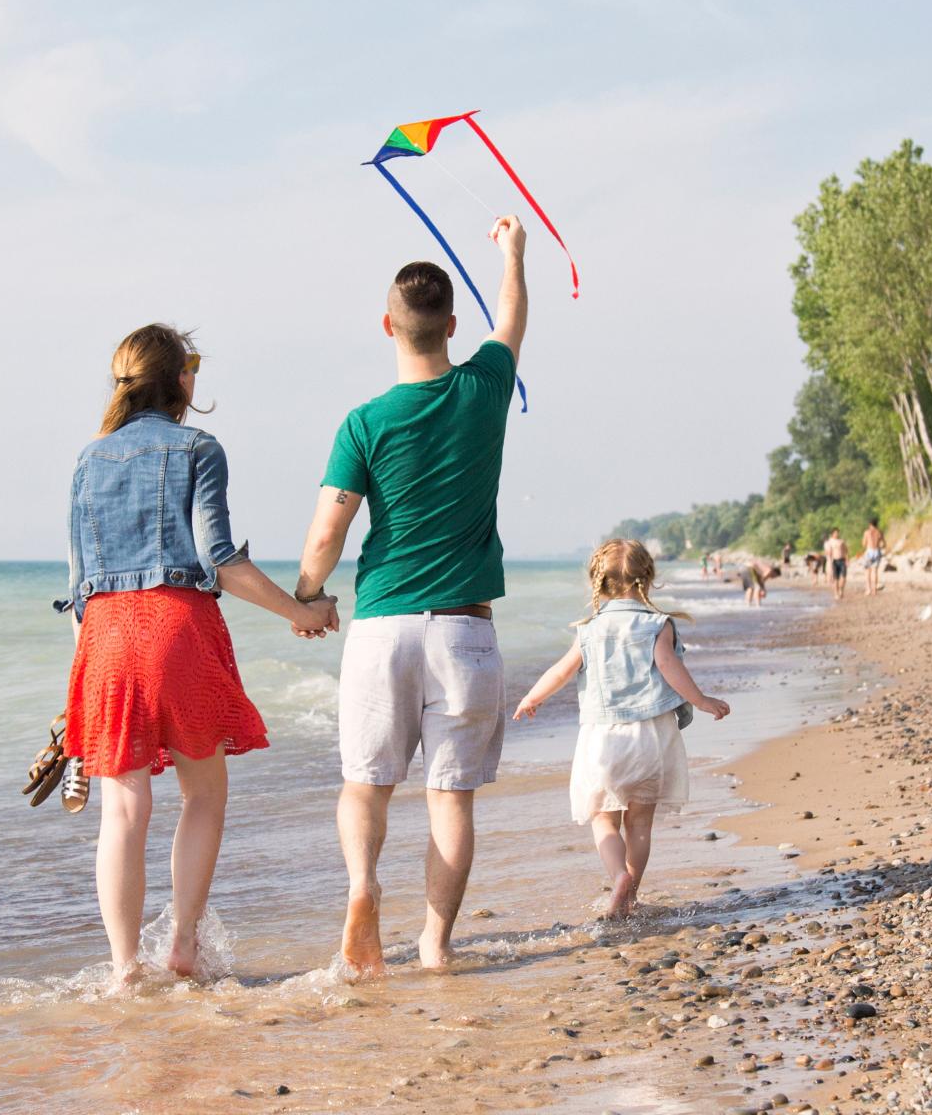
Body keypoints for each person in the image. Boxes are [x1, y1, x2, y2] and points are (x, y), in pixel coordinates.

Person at [65, 324, 336, 983]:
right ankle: (182, 944)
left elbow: (79, 590)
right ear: (179, 379)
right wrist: (302, 612)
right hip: (177, 630)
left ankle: (126, 967)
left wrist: (80, 685)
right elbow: (222, 560)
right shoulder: (197, 449)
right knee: (204, 793)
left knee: (123, 811)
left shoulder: (88, 459)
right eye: (192, 370)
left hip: (104, 637)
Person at [295, 214, 529, 977]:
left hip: (384, 625)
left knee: (365, 786)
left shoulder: (364, 422)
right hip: (464, 629)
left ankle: (364, 888)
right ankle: (434, 945)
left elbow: (329, 533)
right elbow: (514, 318)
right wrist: (513, 253)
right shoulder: (487, 387)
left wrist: (308, 596)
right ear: (453, 326)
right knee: (450, 799)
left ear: (387, 324)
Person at [512, 540, 730, 920]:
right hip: (652, 737)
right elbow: (669, 667)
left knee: (603, 819)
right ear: (647, 578)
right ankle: (632, 895)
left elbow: (561, 671)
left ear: (598, 582)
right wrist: (701, 699)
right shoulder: (658, 625)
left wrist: (531, 698)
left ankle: (618, 879)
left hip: (604, 739)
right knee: (640, 823)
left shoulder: (589, 629)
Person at [860, 518, 885, 596]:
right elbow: (884, 544)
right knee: (875, 571)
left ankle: (868, 589)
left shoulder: (867, 532)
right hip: (877, 551)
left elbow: (864, 544)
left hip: (869, 551)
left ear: (870, 524)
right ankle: (874, 590)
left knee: (868, 571)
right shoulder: (879, 532)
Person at [824, 527, 849, 600]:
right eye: (835, 532)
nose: (837, 534)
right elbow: (827, 552)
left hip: (842, 560)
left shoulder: (841, 541)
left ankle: (841, 590)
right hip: (834, 561)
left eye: (838, 532)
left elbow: (846, 550)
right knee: (836, 579)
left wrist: (847, 559)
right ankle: (836, 593)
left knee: (844, 577)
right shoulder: (829, 542)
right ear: (832, 534)